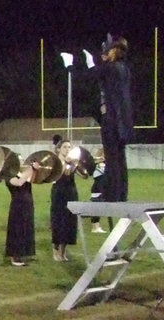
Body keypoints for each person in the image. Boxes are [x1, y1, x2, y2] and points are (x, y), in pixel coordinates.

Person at [64, 35, 132, 210]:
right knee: (119, 157)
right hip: (123, 120)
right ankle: (120, 194)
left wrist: (70, 66)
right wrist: (92, 63)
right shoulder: (123, 68)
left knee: (112, 158)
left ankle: (111, 195)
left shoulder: (110, 68)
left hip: (112, 118)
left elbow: (86, 76)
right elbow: (101, 79)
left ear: (114, 51)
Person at [50, 135, 80, 261]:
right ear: (59, 149)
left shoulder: (71, 161)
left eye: (69, 147)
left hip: (71, 192)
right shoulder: (55, 162)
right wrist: (66, 162)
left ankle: (64, 251)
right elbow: (58, 175)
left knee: (69, 221)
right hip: (59, 193)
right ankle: (55, 251)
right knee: (58, 220)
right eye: (65, 147)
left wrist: (76, 165)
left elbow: (84, 175)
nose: (67, 149)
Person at [5, 156, 36, 267]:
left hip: (27, 204)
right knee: (17, 230)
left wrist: (35, 170)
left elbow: (34, 180)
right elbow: (18, 183)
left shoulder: (23, 174)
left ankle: (24, 253)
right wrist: (30, 170)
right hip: (17, 206)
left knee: (26, 228)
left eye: (22, 160)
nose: (22, 163)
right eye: (19, 161)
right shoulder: (9, 176)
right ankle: (15, 256)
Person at [89, 147, 108, 233]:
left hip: (104, 188)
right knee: (95, 208)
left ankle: (97, 226)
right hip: (97, 188)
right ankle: (95, 227)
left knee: (100, 208)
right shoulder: (95, 165)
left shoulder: (107, 164)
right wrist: (98, 159)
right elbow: (90, 161)